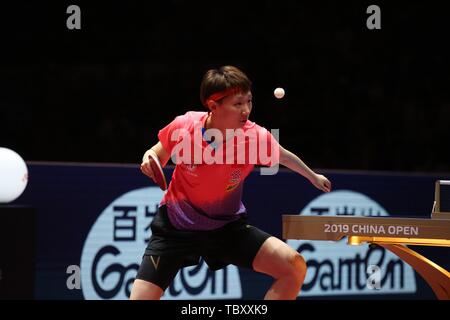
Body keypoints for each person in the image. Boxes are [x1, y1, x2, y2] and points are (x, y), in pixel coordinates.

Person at [130, 65, 331, 300]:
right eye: (238, 104)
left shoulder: (254, 137)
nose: (246, 110)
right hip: (176, 227)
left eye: (249, 101)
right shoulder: (185, 126)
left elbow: (283, 155)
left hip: (226, 228)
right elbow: (159, 153)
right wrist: (149, 158)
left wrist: (313, 176)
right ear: (213, 106)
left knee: (293, 267)